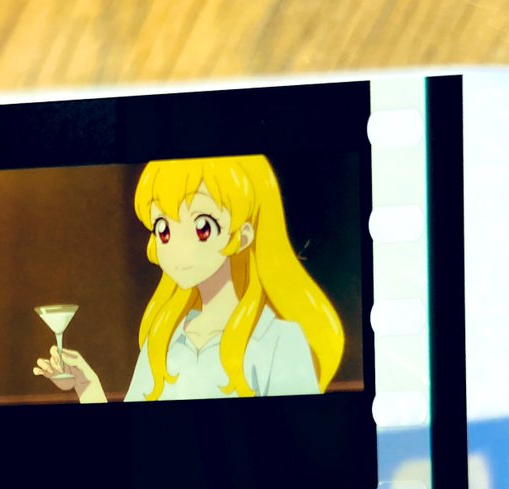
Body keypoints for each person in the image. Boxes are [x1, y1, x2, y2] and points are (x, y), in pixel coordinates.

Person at [33, 155, 345, 402]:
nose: (177, 248)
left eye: (202, 227)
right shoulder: (163, 339)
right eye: (164, 230)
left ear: (243, 236)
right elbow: (130, 441)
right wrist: (87, 385)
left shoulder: (279, 340)